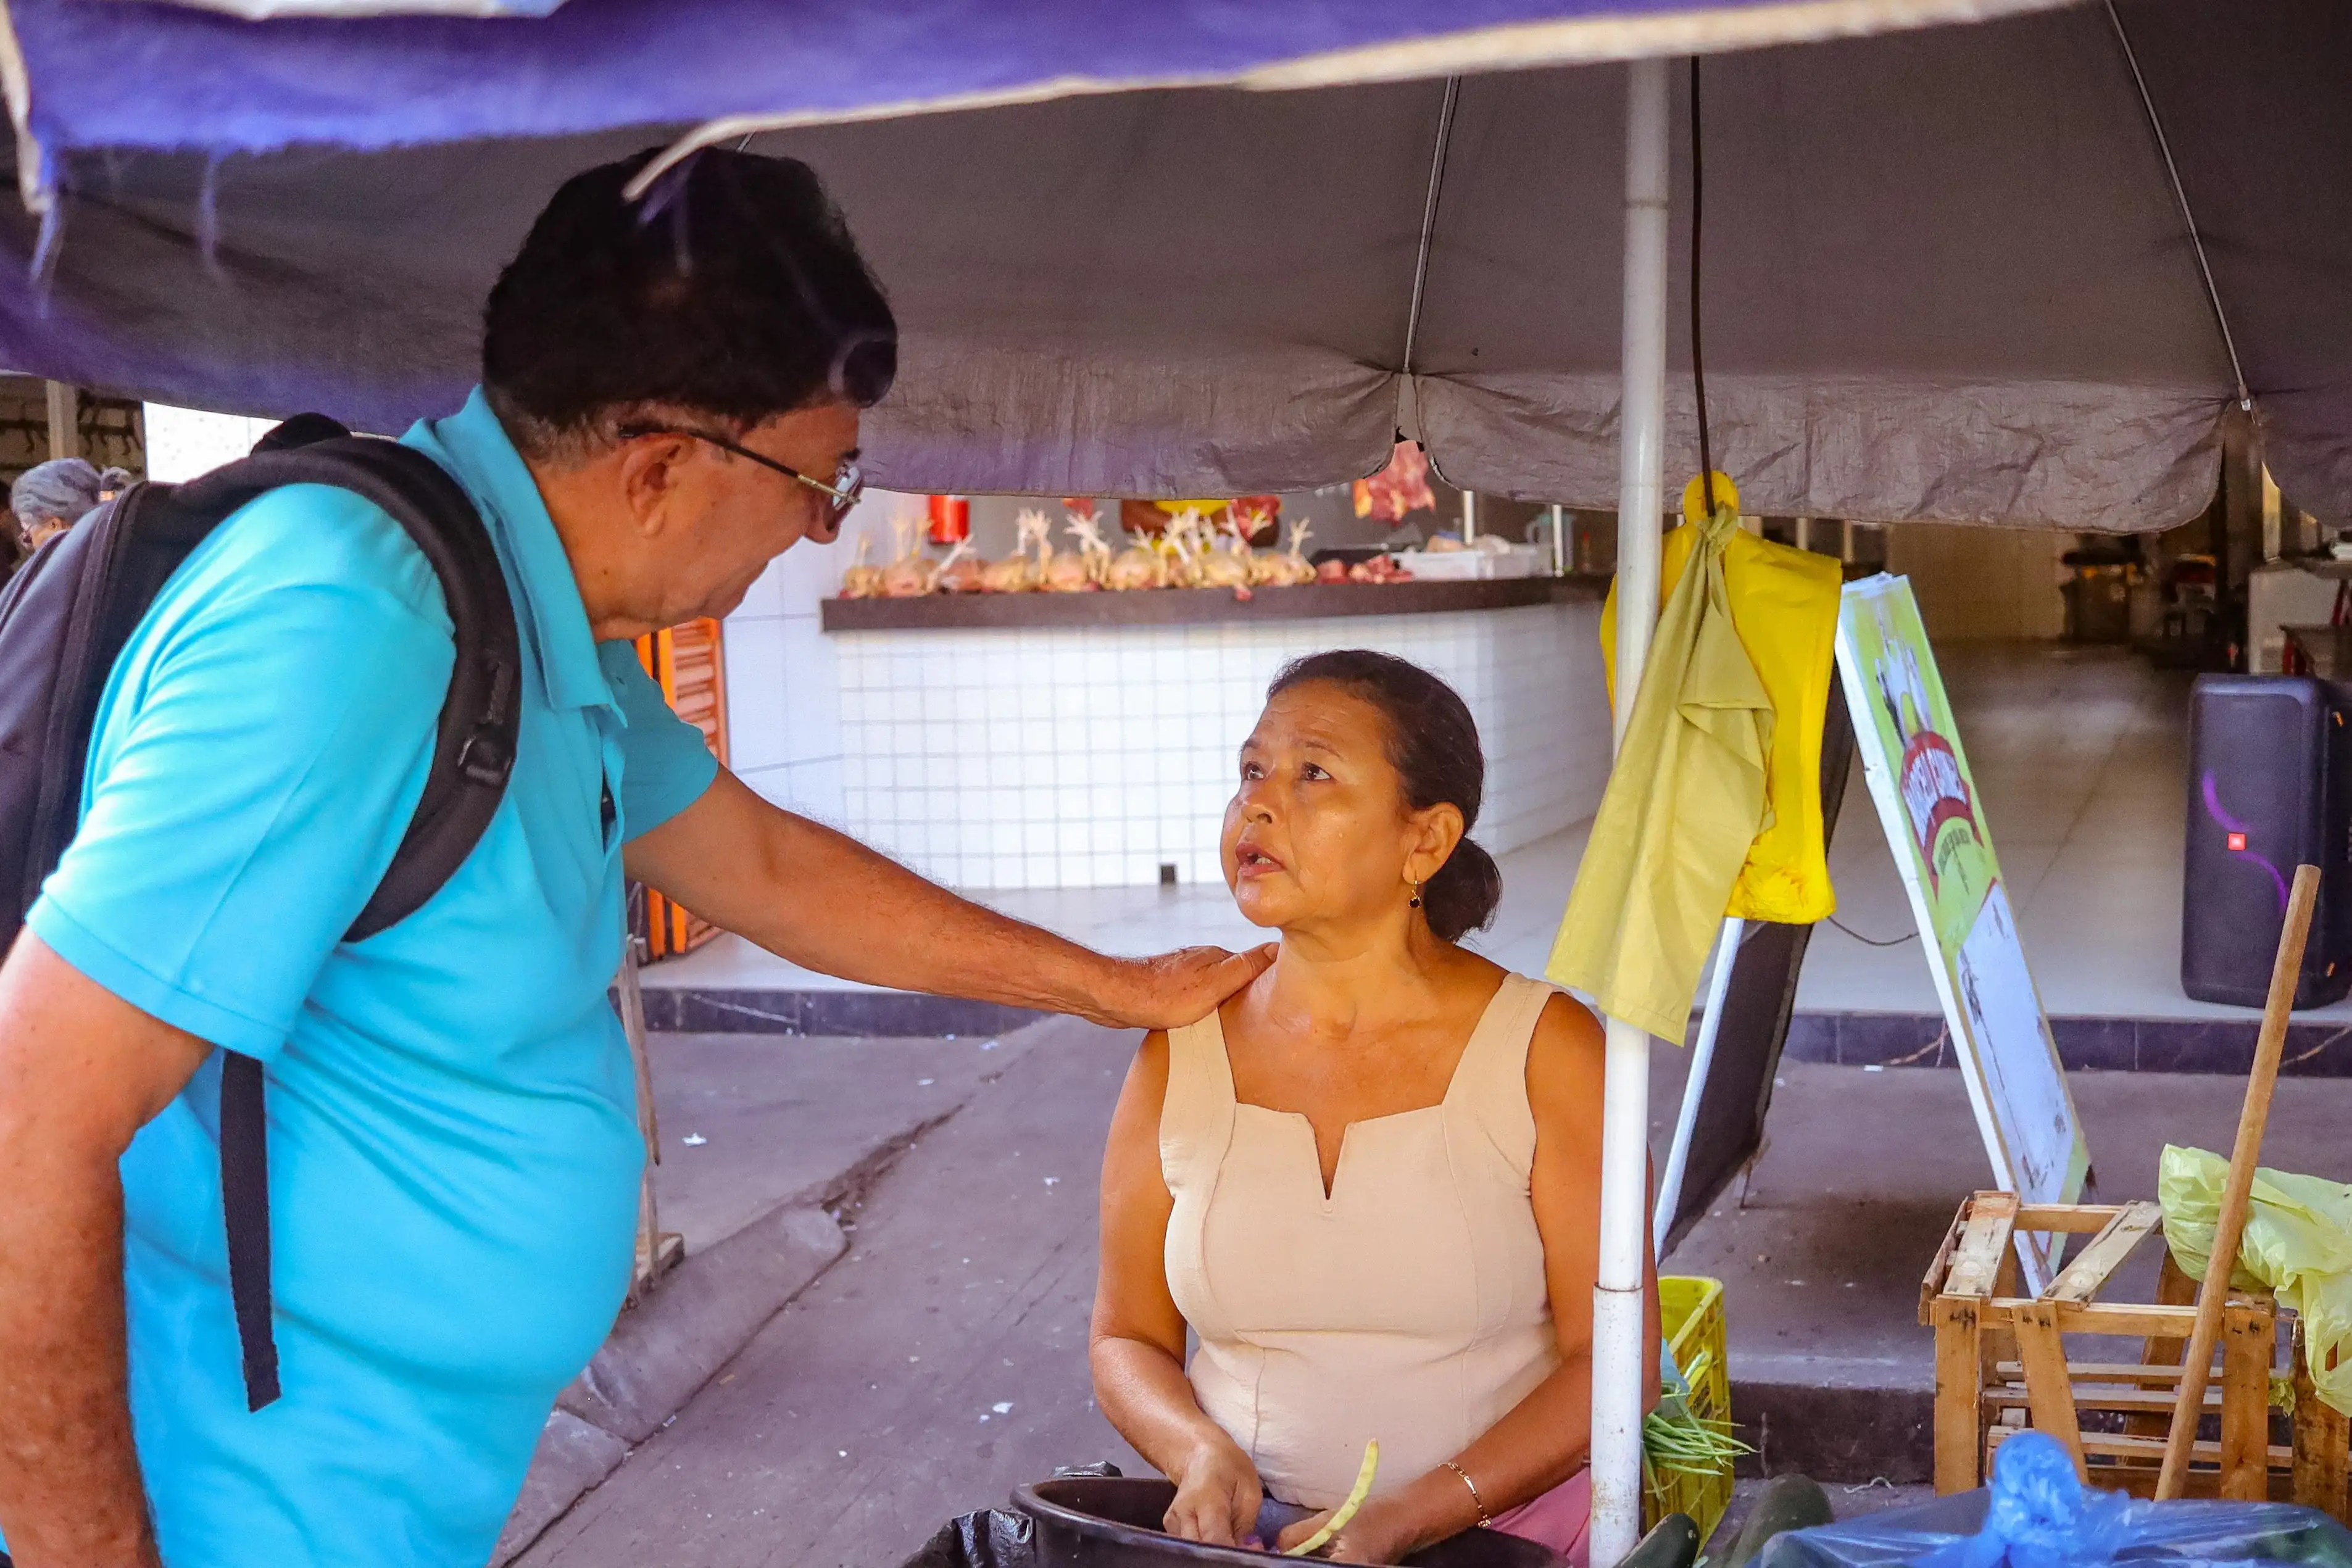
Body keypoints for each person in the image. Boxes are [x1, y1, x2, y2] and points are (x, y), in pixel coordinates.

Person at [0, 148, 1271, 1568]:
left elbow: (769, 872)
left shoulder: (538, 617)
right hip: (241, 1510)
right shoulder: (352, 619)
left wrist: (1105, 986)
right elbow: (28, 1128)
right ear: (662, 464)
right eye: (819, 479)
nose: (815, 528)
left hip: (398, 1497)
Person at [1090, 650, 1660, 1567]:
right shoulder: (1177, 1046)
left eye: (1312, 772)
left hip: (1501, 1544)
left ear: (1425, 841)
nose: (1258, 804)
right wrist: (1195, 1451)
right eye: (1250, 771)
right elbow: (1127, 1336)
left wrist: (1414, 1516)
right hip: (1250, 1547)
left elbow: (1614, 1364)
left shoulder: (1543, 1048)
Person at [9, 455, 110, 552]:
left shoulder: (71, 568)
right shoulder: (115, 553)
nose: (33, 546)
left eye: (28, 538)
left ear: (54, 525)